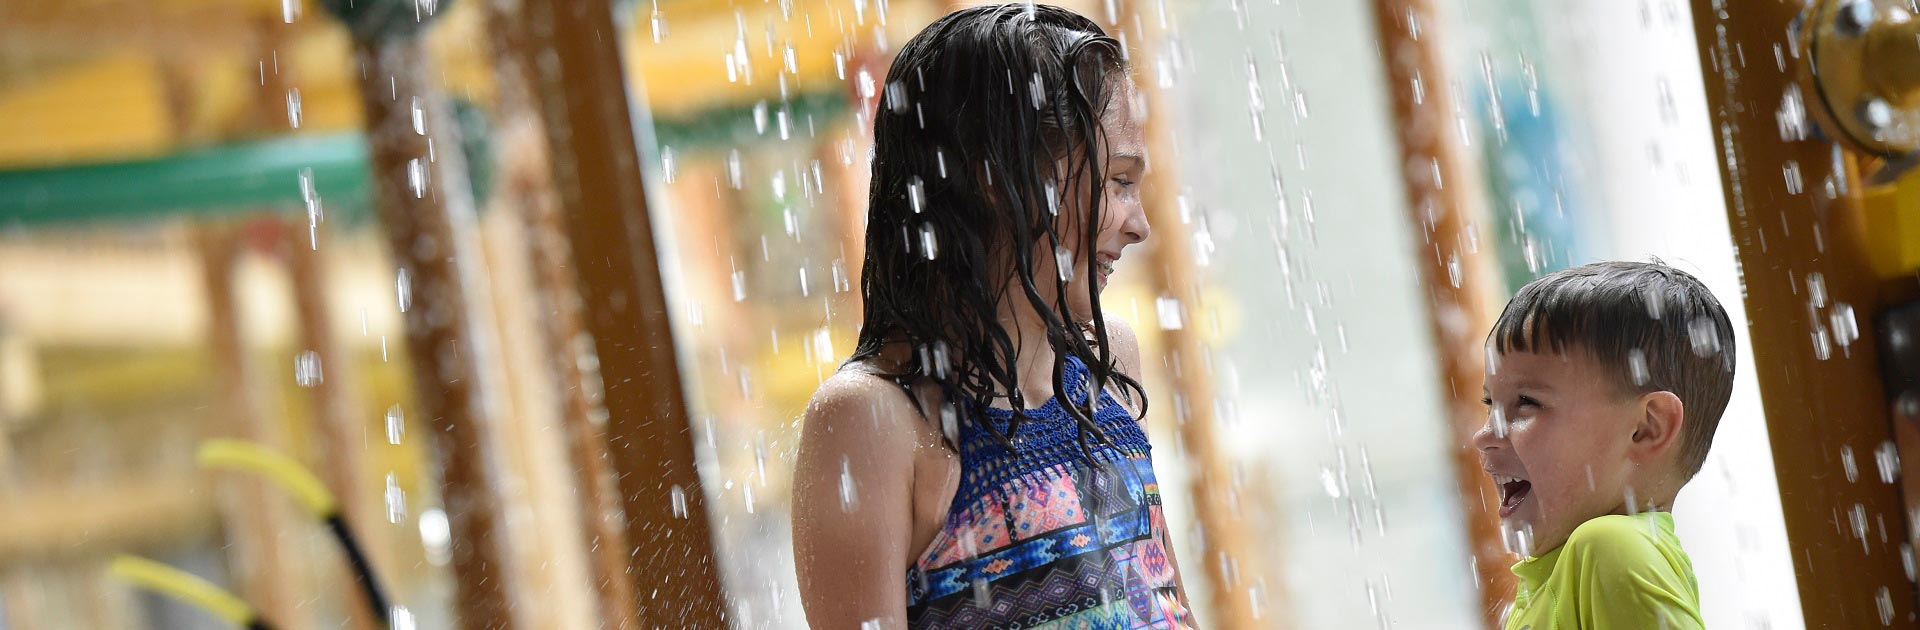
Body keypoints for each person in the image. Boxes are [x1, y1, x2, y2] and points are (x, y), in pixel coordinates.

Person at [790, 4, 1196, 629]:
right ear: (1004, 179)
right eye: (1117, 181)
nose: (1138, 224)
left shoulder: (1104, 368)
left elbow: (1170, 611)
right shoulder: (875, 423)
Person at [1473, 260, 1733, 629]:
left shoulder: (1609, 548)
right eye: (1490, 405)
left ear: (1646, 428)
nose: (1483, 436)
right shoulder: (1557, 577)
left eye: (1527, 403)